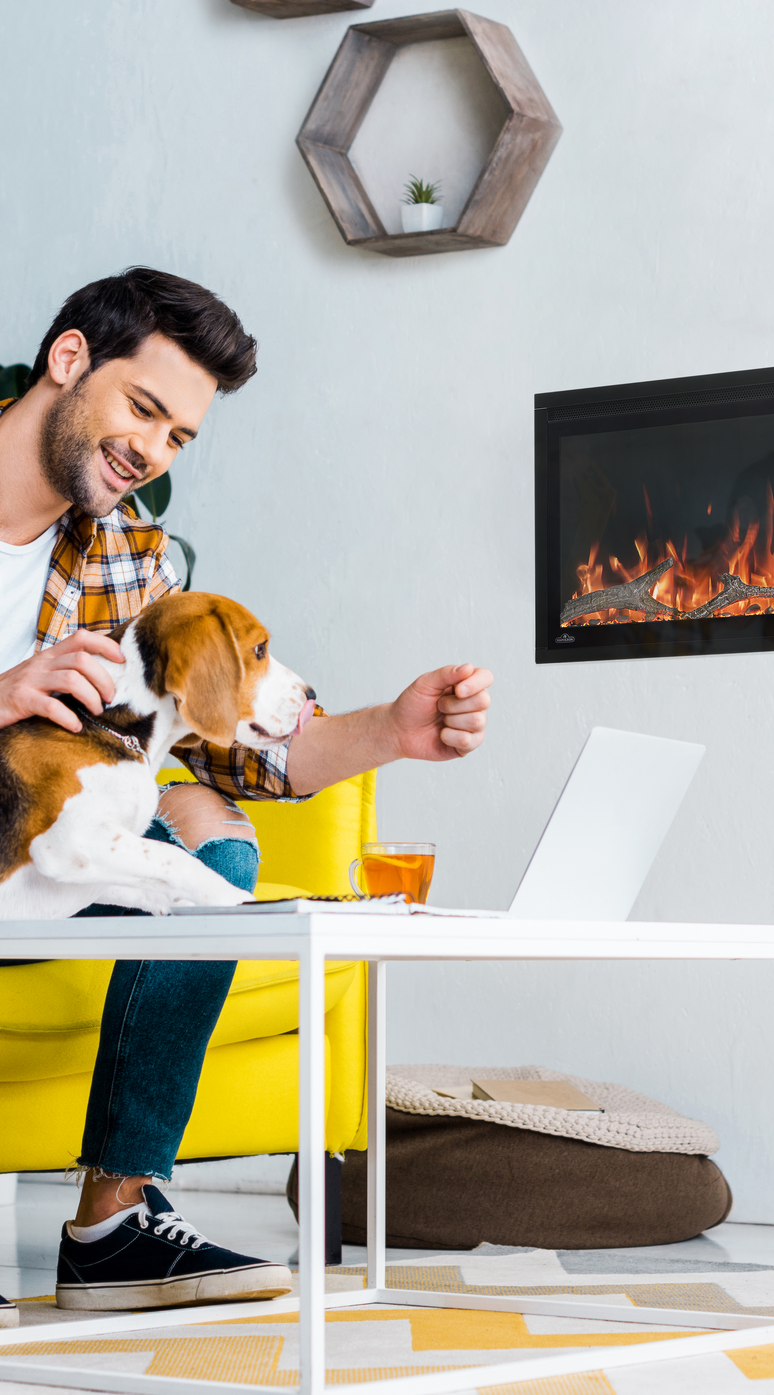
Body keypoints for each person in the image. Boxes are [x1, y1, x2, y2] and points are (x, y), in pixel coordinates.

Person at [0, 268, 493, 1320]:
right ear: (70, 357)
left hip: (41, 868)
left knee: (216, 852)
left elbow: (224, 746)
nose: (151, 452)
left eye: (179, 437)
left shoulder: (132, 553)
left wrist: (388, 730)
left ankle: (111, 1226)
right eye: (144, 409)